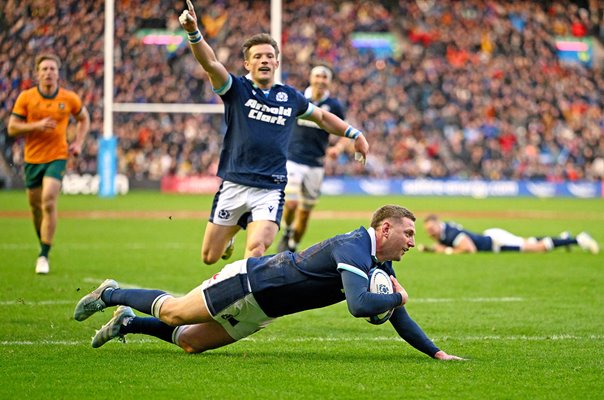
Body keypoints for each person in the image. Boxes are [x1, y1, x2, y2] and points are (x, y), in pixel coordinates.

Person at [73, 205, 464, 361]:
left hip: (266, 308)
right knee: (175, 312)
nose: (413, 242)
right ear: (385, 228)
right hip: (251, 283)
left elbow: (398, 315)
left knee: (190, 342)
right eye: (408, 233)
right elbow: (360, 305)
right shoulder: (354, 247)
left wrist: (437, 354)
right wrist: (396, 296)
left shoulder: (377, 261)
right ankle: (110, 291)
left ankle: (128, 321)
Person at [178, 1, 369, 265]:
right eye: (257, 56)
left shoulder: (289, 96)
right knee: (210, 257)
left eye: (269, 56)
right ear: (247, 63)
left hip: (270, 186)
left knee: (256, 250)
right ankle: (234, 231)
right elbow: (210, 62)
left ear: (277, 62)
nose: (264, 60)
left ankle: (239, 300)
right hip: (235, 182)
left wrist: (354, 134)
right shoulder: (236, 88)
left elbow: (323, 117)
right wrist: (193, 33)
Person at [7, 53, 90, 274]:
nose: (48, 72)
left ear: (58, 73)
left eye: (52, 69)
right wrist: (36, 126)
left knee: (48, 200)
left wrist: (78, 143)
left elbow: (84, 118)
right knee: (35, 208)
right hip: (32, 159)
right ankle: (43, 243)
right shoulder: (26, 98)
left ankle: (43, 255)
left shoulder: (69, 98)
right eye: (44, 69)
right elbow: (12, 128)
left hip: (57, 156)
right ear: (37, 73)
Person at [277, 65, 350, 253]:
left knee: (305, 213)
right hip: (293, 160)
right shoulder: (299, 98)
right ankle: (286, 231)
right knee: (291, 203)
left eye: (324, 77)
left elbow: (344, 131)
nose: (320, 80)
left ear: (329, 81)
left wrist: (338, 147)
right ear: (311, 78)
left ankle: (292, 247)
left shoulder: (334, 106)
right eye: (317, 76)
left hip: (316, 164)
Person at [420, 214, 600, 254]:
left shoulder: (451, 233)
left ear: (438, 224)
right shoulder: (445, 233)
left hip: (496, 242)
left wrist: (447, 251)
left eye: (431, 229)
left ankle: (578, 239)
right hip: (492, 237)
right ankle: (564, 238)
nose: (430, 233)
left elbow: (469, 248)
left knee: (536, 248)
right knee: (528, 241)